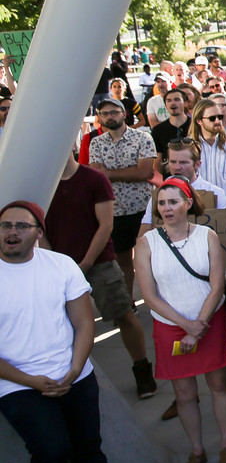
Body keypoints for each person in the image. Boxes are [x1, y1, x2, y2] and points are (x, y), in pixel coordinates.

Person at [0, 201, 149, 463]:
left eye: (22, 225)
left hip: (74, 374)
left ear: (39, 232)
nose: (12, 232)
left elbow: (84, 323)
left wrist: (73, 368)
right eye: (5, 226)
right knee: (51, 450)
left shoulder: (61, 266)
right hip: (19, 384)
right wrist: (33, 381)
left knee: (88, 449)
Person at [135, 179, 226, 463]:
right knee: (183, 393)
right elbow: (149, 295)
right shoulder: (147, 243)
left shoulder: (207, 236)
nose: (166, 208)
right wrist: (186, 326)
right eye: (162, 203)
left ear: (188, 203)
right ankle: (197, 451)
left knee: (219, 385)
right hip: (171, 327)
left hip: (209, 321)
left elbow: (218, 285)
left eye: (173, 202)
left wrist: (200, 324)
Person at [46, 145, 156, 401]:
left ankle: (142, 370)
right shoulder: (42, 184)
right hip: (58, 268)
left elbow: (106, 225)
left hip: (99, 264)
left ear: (72, 148)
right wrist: (54, 264)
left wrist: (84, 264)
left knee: (123, 316)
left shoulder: (94, 179)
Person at [87, 97, 157, 319]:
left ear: (124, 113)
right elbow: (96, 174)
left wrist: (109, 173)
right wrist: (127, 171)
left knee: (153, 256)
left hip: (143, 208)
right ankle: (129, 304)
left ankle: (158, 299)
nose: (110, 117)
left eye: (114, 112)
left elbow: (145, 172)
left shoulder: (143, 138)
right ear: (100, 117)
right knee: (123, 259)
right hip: (114, 210)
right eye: (105, 113)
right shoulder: (96, 143)